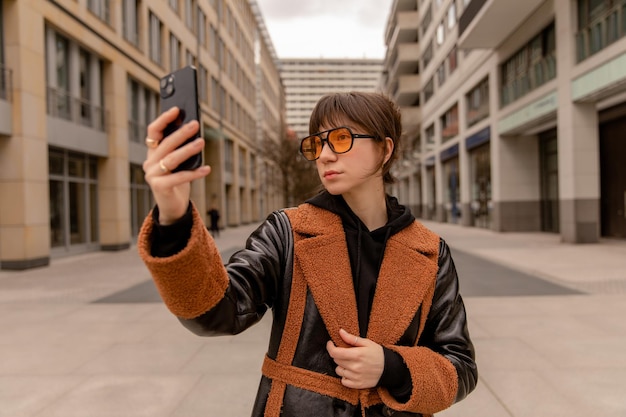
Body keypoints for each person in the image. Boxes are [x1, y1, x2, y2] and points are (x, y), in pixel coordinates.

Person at [138, 92, 477, 417]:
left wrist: (392, 367)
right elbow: (217, 312)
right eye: (317, 143)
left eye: (341, 139)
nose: (325, 155)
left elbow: (461, 366)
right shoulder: (288, 232)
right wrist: (173, 216)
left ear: (384, 149)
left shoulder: (429, 250)